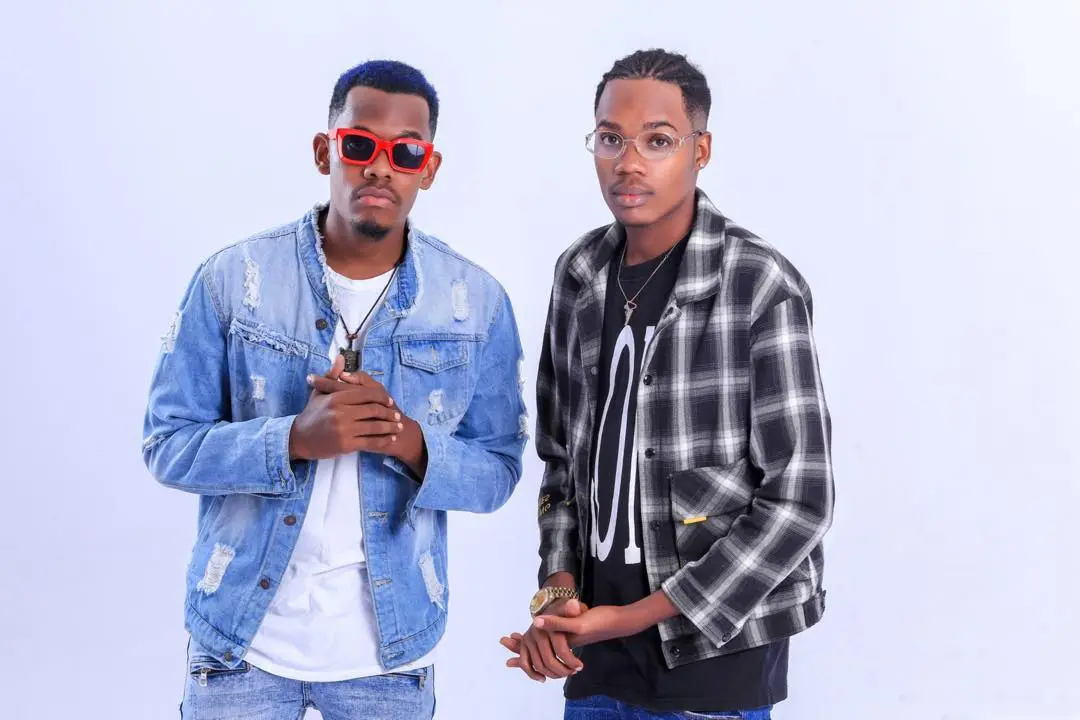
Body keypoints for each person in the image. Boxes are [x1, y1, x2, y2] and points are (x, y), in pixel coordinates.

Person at [143, 59, 528, 720]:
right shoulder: (232, 280)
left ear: (429, 168)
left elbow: (498, 471)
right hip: (239, 648)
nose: (380, 167)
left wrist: (407, 441)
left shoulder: (476, 304)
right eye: (359, 145)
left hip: (389, 660)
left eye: (406, 152)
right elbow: (167, 444)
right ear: (326, 151)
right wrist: (293, 439)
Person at [500, 49, 835, 720]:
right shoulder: (579, 274)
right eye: (610, 139)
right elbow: (562, 464)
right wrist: (558, 601)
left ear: (699, 150)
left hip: (715, 665)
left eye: (657, 141)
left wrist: (629, 617)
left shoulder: (757, 283)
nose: (628, 163)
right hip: (596, 665)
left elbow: (800, 500)